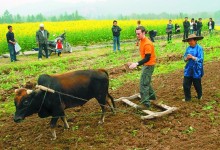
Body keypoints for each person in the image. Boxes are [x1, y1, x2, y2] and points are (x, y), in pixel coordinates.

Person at [129, 26, 156, 108]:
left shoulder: (147, 43)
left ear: (144, 33)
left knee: (143, 84)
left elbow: (147, 58)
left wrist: (136, 64)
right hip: (146, 64)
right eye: (136, 34)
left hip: (149, 65)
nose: (137, 36)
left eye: (138, 34)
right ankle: (152, 97)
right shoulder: (141, 40)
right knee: (146, 81)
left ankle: (146, 104)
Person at [182, 34, 204, 101]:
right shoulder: (188, 48)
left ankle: (199, 96)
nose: (189, 42)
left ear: (195, 40)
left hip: (196, 69)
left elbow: (201, 59)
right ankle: (187, 98)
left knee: (197, 84)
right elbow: (184, 58)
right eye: (188, 41)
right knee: (186, 84)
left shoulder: (199, 48)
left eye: (191, 40)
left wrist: (193, 57)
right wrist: (186, 58)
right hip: (188, 69)